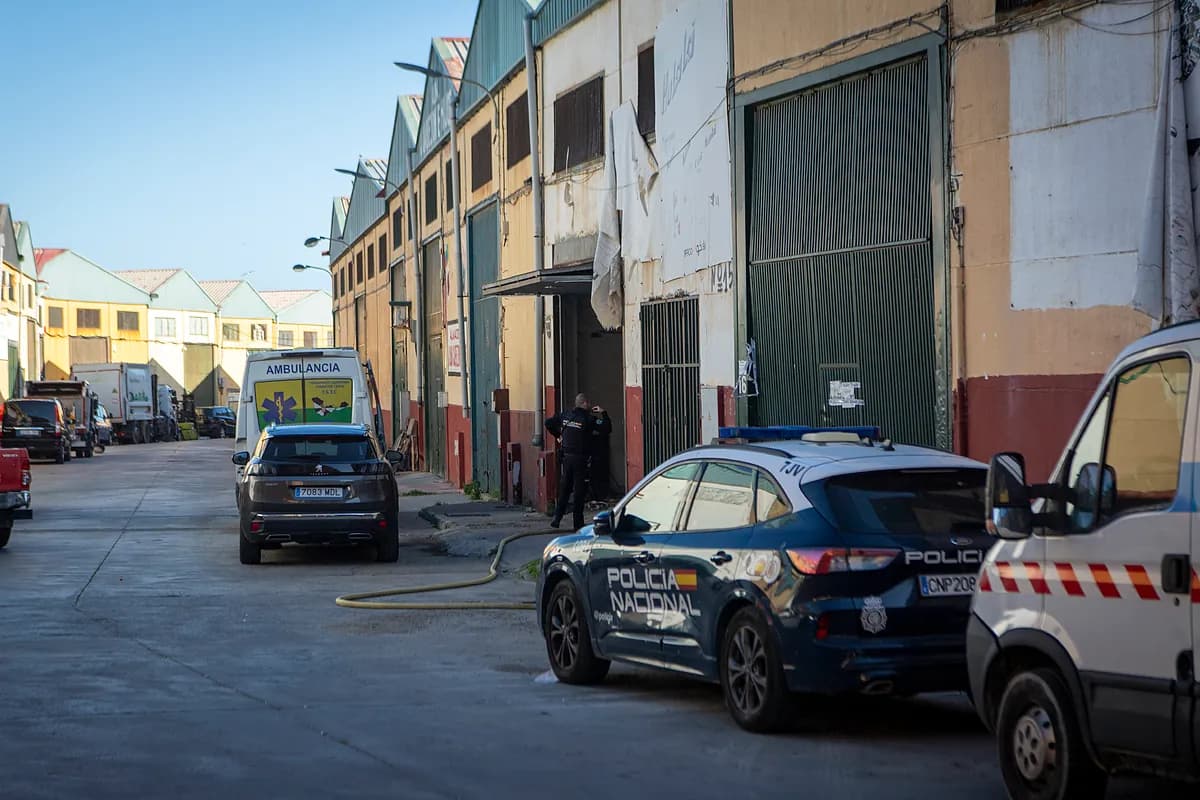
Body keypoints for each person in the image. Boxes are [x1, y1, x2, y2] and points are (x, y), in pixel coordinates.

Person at [545, 393, 603, 530]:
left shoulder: (565, 415)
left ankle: (557, 518)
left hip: (566, 458)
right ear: (584, 403)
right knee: (579, 492)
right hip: (580, 459)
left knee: (564, 489)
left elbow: (548, 423)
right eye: (588, 403)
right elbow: (606, 427)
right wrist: (603, 413)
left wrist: (558, 435)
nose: (589, 405)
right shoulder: (588, 419)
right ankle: (578, 524)